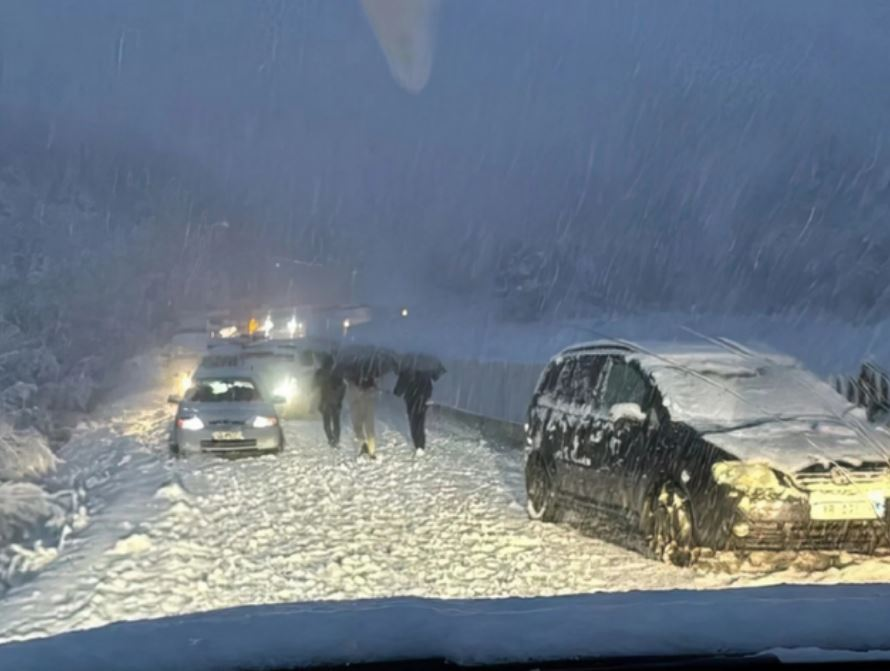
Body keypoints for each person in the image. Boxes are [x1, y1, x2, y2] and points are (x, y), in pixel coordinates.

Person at [394, 369, 433, 454]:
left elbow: (401, 384)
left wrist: (397, 391)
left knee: (413, 421)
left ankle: (417, 444)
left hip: (411, 398)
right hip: (422, 398)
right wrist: (428, 396)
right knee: (420, 421)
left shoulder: (407, 368)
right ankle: (421, 445)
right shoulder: (425, 369)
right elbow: (429, 385)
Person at [313, 354, 345, 447]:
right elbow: (343, 387)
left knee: (327, 423)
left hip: (326, 402)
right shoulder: (336, 373)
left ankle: (331, 439)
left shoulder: (321, 373)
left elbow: (315, 385)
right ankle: (336, 439)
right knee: (336, 422)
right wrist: (340, 400)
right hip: (335, 402)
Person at [346, 373, 378, 459]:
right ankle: (371, 451)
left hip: (357, 404)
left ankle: (364, 444)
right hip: (367, 402)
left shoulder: (352, 374)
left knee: (358, 426)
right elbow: (374, 389)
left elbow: (350, 391)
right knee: (369, 428)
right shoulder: (369, 373)